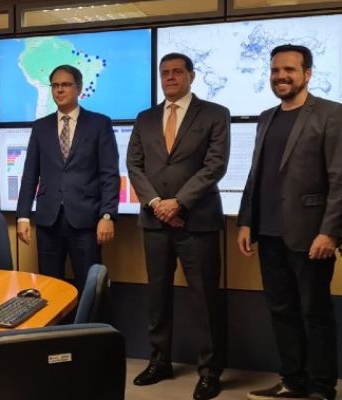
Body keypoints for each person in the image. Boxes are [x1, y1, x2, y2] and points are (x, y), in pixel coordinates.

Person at [237, 44, 342, 400]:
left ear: (307, 74)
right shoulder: (266, 117)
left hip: (311, 235)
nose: (280, 76)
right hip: (268, 233)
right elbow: (256, 175)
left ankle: (322, 387)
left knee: (315, 313)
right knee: (282, 311)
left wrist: (330, 232)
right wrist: (246, 221)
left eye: (289, 70)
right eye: (275, 70)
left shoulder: (331, 114)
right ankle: (293, 381)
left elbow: (340, 179)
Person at [127, 53, 230, 400]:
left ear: (191, 76)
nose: (170, 78)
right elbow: (134, 165)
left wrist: (179, 202)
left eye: (176, 72)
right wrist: (157, 203)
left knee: (205, 299)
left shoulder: (215, 114)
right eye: (165, 73)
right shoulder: (145, 118)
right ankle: (160, 361)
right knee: (157, 296)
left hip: (197, 221)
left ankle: (210, 372)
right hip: (155, 221)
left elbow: (215, 165)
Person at [16, 64, 119, 291]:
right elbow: (30, 173)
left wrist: (108, 215)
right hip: (48, 221)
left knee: (90, 286)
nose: (59, 90)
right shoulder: (41, 127)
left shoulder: (99, 124)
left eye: (65, 85)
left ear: (78, 88)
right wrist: (23, 215)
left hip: (86, 220)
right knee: (50, 287)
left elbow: (109, 174)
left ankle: (90, 317)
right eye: (55, 86)